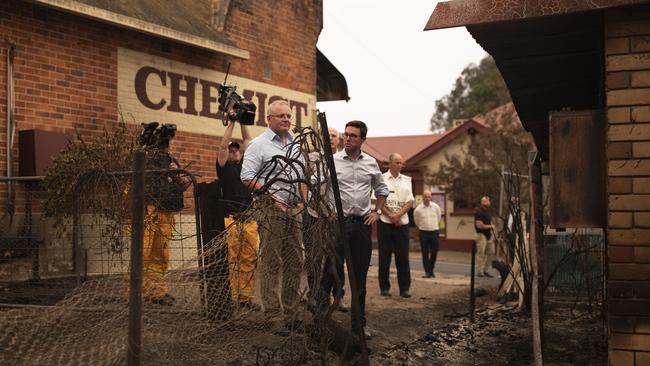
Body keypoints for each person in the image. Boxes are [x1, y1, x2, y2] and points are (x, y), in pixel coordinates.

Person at [240, 100, 305, 320]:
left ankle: (291, 309)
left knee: (295, 260)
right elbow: (247, 177)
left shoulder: (295, 144)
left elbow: (302, 174)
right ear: (269, 119)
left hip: (294, 209)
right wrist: (273, 198)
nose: (286, 119)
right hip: (270, 209)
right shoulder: (258, 145)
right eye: (281, 116)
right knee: (271, 260)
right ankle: (272, 313)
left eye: (288, 116)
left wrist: (303, 202)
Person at [326, 120, 389, 339]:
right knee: (330, 271)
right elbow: (317, 186)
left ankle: (358, 324)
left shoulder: (371, 163)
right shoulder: (331, 161)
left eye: (354, 135)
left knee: (359, 278)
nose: (348, 138)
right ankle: (321, 320)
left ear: (363, 139)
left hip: (362, 225)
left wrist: (377, 213)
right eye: (346, 135)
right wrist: (326, 211)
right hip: (337, 224)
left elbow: (382, 190)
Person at [304, 127, 348, 312]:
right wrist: (308, 202)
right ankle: (314, 295)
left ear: (339, 140)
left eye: (334, 136)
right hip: (314, 215)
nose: (330, 138)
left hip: (335, 217)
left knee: (336, 259)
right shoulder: (312, 158)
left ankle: (337, 295)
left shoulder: (344, 160)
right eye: (326, 135)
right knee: (314, 257)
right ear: (320, 138)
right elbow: (303, 181)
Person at [217, 120, 259, 309]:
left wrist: (243, 121)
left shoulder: (247, 168)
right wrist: (231, 123)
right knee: (231, 259)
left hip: (249, 220)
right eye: (232, 150)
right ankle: (232, 296)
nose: (234, 151)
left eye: (237, 150)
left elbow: (249, 140)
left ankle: (245, 298)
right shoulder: (224, 168)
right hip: (231, 220)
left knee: (249, 259)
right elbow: (222, 146)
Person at [140, 124, 184, 306]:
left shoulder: (171, 161)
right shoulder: (146, 158)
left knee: (160, 255)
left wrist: (176, 174)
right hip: (149, 210)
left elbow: (181, 186)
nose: (168, 144)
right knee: (143, 252)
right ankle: (138, 292)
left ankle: (156, 291)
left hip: (166, 211)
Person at [377, 153, 414, 298]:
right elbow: (377, 199)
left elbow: (410, 201)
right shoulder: (382, 179)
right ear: (390, 163)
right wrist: (390, 215)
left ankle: (404, 288)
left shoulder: (407, 180)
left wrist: (398, 215)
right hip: (385, 222)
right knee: (384, 256)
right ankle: (384, 287)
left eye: (401, 163)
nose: (400, 165)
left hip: (402, 224)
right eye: (397, 162)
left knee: (403, 257)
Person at [413, 190, 442, 278]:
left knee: (434, 252)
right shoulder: (418, 209)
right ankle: (427, 272)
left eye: (429, 196)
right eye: (425, 196)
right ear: (423, 197)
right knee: (425, 253)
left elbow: (439, 218)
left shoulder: (436, 207)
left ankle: (431, 269)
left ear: (431, 197)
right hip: (423, 232)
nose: (427, 198)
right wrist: (423, 227)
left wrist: (433, 226)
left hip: (434, 231)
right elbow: (416, 221)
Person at [475, 196, 496, 278]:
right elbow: (479, 225)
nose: (487, 202)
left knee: (491, 252)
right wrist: (490, 226)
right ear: (482, 202)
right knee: (481, 253)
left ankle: (485, 270)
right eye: (485, 201)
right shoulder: (479, 212)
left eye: (488, 200)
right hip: (481, 235)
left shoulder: (488, 212)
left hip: (489, 235)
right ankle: (480, 271)